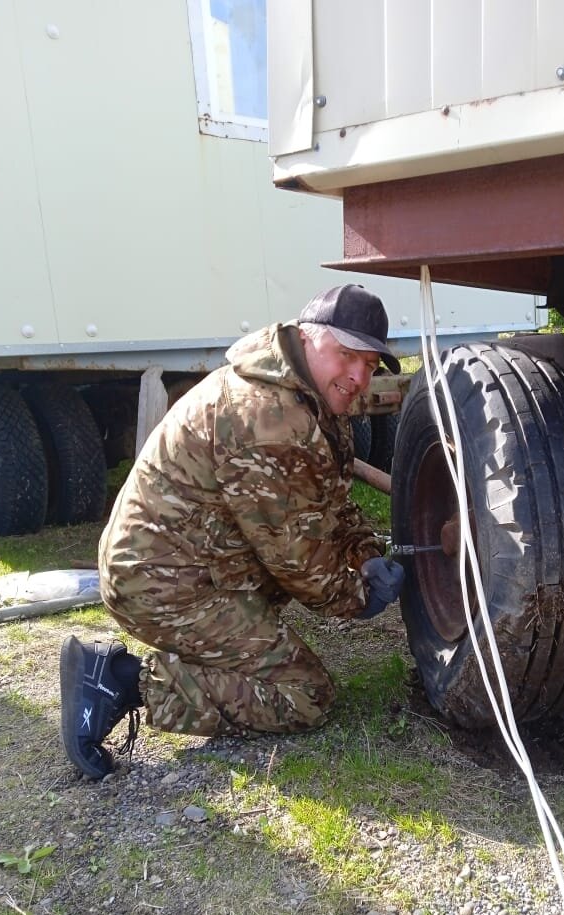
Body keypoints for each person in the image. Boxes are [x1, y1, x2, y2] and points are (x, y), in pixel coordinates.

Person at [59, 284, 405, 780]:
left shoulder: (314, 402)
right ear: (307, 339)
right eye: (347, 355)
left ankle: (192, 655)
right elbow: (296, 555)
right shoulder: (269, 415)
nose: (357, 375)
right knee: (306, 696)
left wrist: (365, 552)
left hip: (195, 569)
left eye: (370, 364)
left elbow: (327, 503)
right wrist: (355, 595)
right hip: (162, 585)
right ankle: (119, 682)